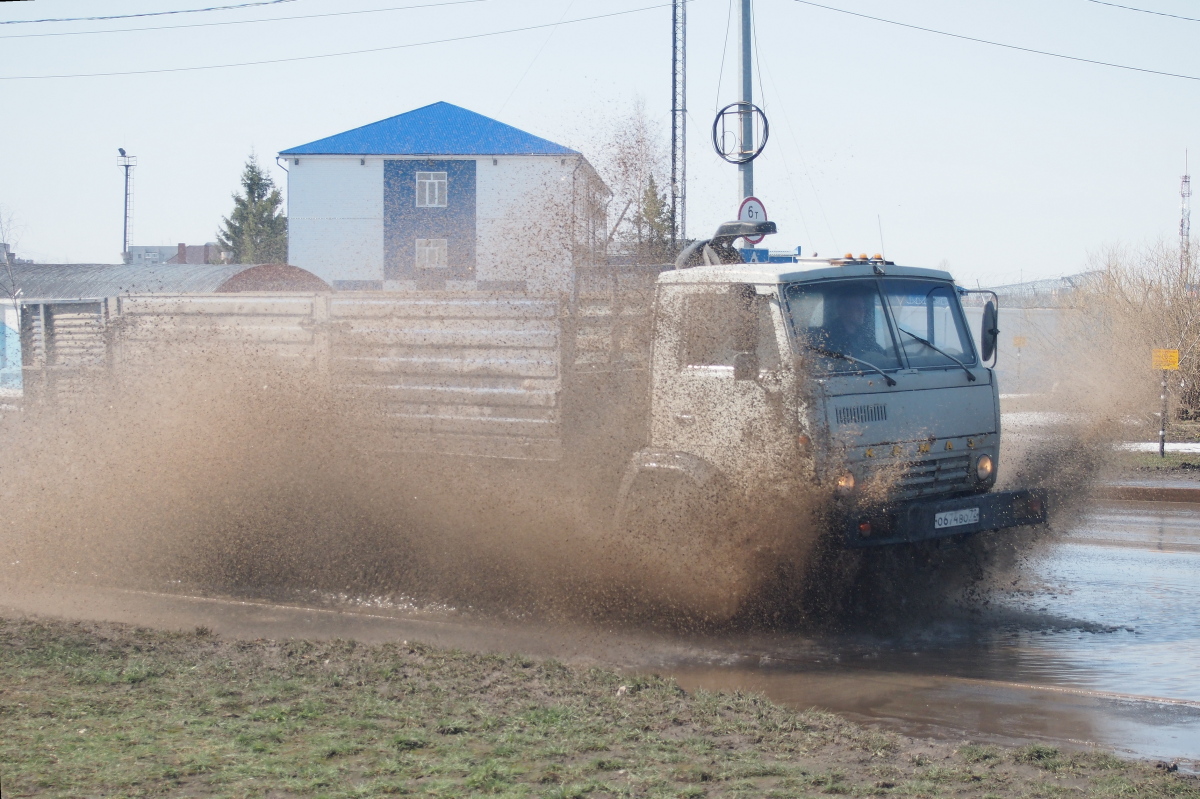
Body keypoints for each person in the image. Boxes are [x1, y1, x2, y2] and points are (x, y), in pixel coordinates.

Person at [817, 289, 886, 361]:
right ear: (842, 310)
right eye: (858, 307)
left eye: (863, 308)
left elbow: (877, 350)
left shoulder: (863, 334)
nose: (862, 311)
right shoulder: (827, 336)